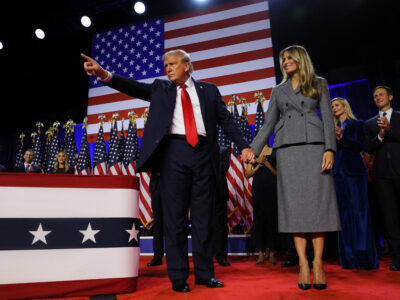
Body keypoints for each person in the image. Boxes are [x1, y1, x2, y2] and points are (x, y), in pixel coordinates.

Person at [82, 50, 255, 292]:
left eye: (172, 64)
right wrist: (105, 75)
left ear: (187, 66)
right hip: (173, 154)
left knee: (204, 218)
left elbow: (226, 120)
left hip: (204, 155)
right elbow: (133, 87)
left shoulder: (209, 91)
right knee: (175, 219)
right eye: (165, 65)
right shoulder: (160, 89)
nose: (167, 68)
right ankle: (179, 277)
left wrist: (245, 146)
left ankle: (205, 274)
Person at [251, 45, 340, 290]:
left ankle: (318, 264)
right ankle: (303, 263)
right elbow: (268, 123)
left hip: (315, 148)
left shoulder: (318, 83)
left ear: (300, 59)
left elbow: (327, 118)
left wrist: (330, 149)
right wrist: (254, 147)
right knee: (295, 209)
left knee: (318, 207)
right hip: (287, 150)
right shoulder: (278, 90)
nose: (286, 62)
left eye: (289, 58)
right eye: (283, 59)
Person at [331, 97, 379, 269]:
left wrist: (342, 137)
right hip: (337, 174)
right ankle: (349, 258)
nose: (334, 108)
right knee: (343, 216)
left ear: (345, 107)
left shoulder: (357, 124)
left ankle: (364, 257)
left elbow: (360, 145)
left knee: (360, 213)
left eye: (336, 105)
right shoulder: (331, 129)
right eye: (331, 106)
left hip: (355, 173)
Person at [365, 86, 400, 271]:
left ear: (391, 96)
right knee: (390, 217)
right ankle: (397, 258)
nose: (378, 97)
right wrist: (380, 135)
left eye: (381, 94)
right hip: (382, 176)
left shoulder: (399, 117)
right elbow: (368, 148)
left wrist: (390, 130)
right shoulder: (370, 123)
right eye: (375, 96)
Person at [246, 144, 278, 266]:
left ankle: (271, 252)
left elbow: (277, 173)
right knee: (259, 219)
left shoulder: (274, 152)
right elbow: (248, 174)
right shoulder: (254, 153)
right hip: (258, 189)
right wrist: (259, 165)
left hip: (271, 189)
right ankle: (260, 252)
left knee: (271, 219)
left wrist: (267, 163)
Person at [213, 146, 230, 267]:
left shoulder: (223, 150)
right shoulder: (200, 150)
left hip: (220, 191)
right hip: (204, 193)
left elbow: (224, 167)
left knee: (221, 226)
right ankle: (208, 253)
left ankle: (222, 255)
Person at [147, 172, 164, 267]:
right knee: (158, 224)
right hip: (156, 185)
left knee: (173, 223)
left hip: (172, 184)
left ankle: (175, 258)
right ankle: (157, 257)